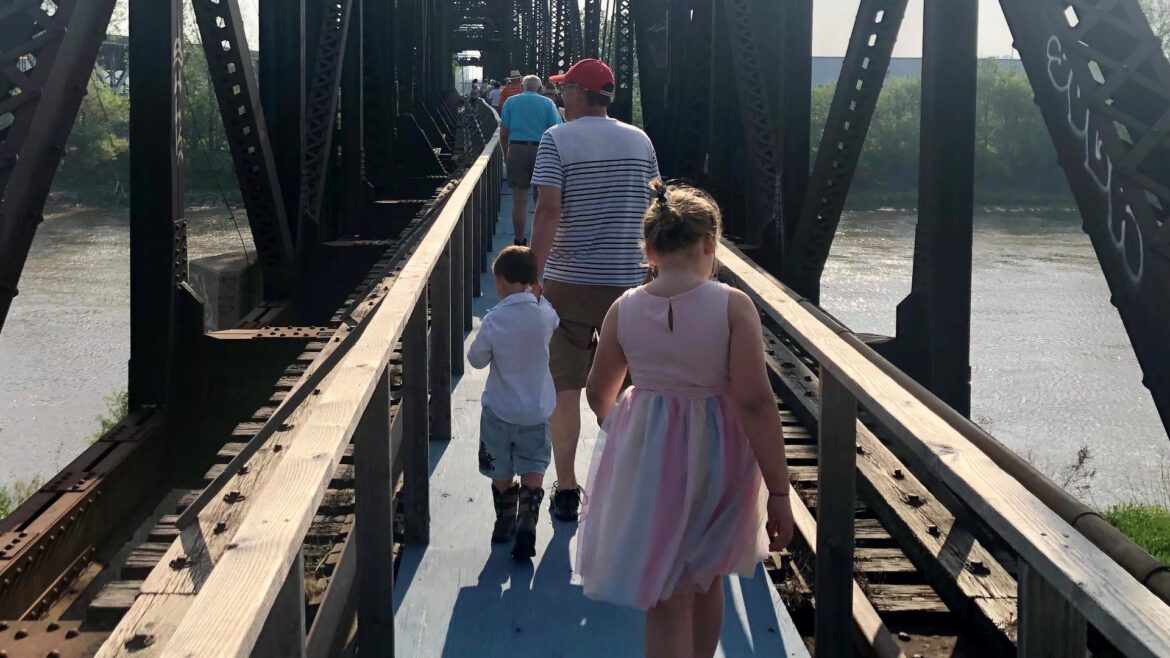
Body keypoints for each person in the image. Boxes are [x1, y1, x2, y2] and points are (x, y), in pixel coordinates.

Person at [577, 180, 795, 657]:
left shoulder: (624, 307)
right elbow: (756, 400)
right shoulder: (733, 305)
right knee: (705, 574)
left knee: (664, 587)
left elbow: (597, 391)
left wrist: (628, 428)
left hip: (650, 455)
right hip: (720, 454)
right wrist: (778, 490)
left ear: (649, 249)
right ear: (709, 244)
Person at [529, 58, 660, 521]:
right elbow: (654, 207)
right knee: (625, 385)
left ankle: (566, 490)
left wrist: (534, 277)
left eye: (565, 90)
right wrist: (653, 271)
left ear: (580, 95)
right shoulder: (640, 140)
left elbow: (548, 211)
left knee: (565, 388)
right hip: (627, 283)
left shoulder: (556, 140)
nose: (561, 97)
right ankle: (630, 482)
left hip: (568, 282)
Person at [467, 246, 560, 560]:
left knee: (501, 465)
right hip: (536, 411)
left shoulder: (495, 320)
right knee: (533, 465)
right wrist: (540, 296)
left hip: (499, 411)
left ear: (499, 280)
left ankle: (504, 518)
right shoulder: (544, 314)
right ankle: (527, 517)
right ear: (534, 281)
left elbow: (476, 360)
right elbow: (554, 319)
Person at [501, 75, 562, 246]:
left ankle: (519, 241)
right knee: (541, 200)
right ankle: (540, 241)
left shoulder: (510, 102)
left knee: (519, 200)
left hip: (517, 149)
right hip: (541, 150)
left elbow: (504, 135)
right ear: (540, 88)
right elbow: (555, 130)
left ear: (522, 86)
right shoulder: (547, 103)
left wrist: (507, 155)